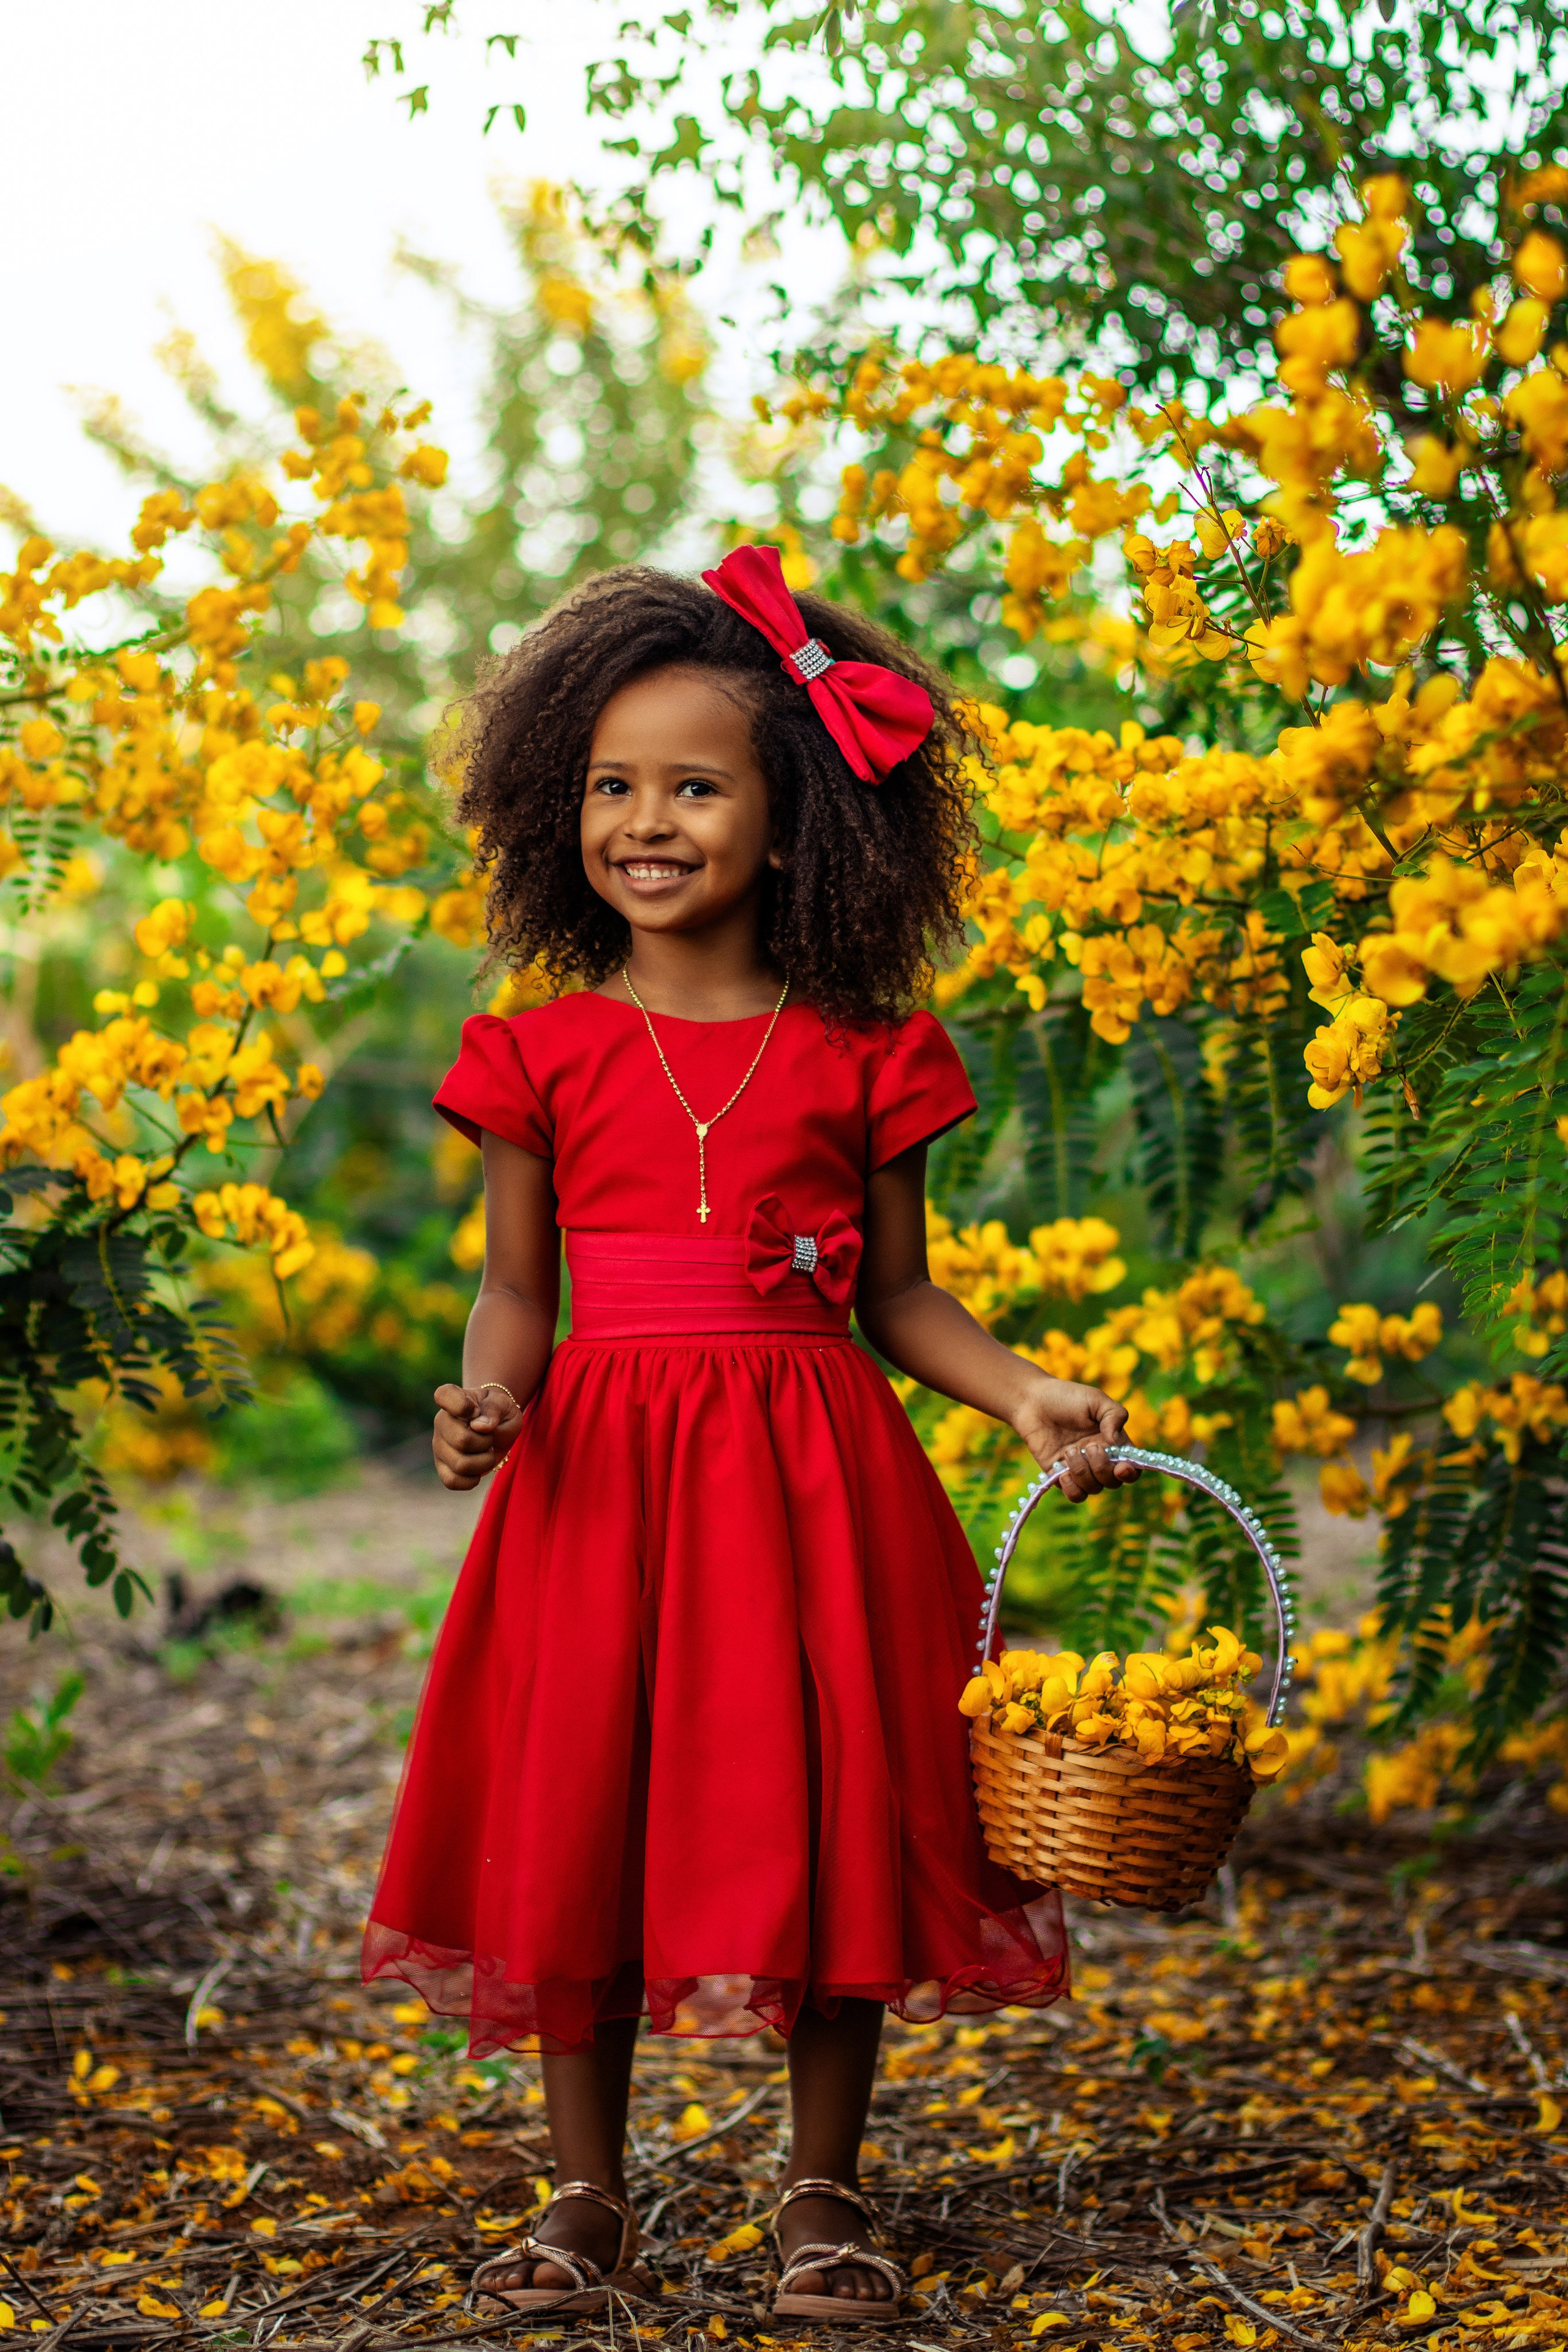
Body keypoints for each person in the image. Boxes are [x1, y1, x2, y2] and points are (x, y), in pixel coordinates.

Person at [361, 546, 1137, 2324]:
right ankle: (583, 2198)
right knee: (582, 1811)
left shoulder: (867, 1051)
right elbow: (515, 1296)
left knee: (835, 1807)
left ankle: (822, 2194)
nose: (647, 820)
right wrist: (490, 1398)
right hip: (596, 1477)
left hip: (813, 1476)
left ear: (791, 828)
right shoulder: (535, 1052)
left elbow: (903, 1303)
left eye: (695, 786)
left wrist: (1023, 1390)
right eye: (612, 787)